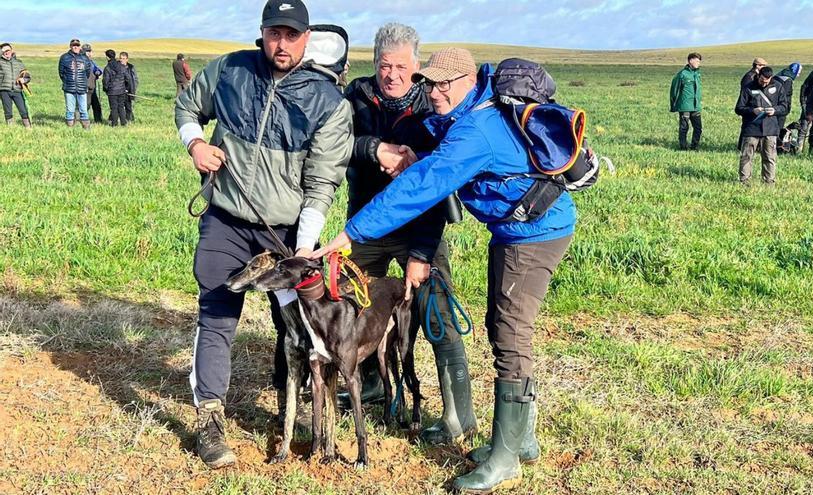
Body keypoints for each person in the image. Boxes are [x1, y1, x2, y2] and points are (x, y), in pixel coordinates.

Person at [313, 47, 575, 494]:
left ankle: (506, 457)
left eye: (441, 84)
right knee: (502, 328)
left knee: (510, 337)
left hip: (535, 235)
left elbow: (423, 186)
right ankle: (521, 439)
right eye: (429, 83)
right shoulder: (472, 113)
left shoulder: (477, 129)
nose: (432, 92)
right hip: (516, 232)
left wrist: (353, 231)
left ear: (468, 81)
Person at [174, 0, 353, 470]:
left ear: (306, 38)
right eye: (275, 33)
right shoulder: (230, 70)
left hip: (286, 232)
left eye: (292, 35)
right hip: (226, 218)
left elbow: (322, 182)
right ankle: (210, 418)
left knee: (297, 324)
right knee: (216, 309)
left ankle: (292, 410)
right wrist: (195, 143)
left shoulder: (328, 102)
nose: (282, 43)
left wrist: (304, 247)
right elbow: (188, 104)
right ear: (262, 32)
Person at [341, 23, 476, 446]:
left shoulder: (432, 102)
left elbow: (439, 182)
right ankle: (371, 382)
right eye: (385, 65)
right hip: (366, 223)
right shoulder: (356, 97)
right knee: (354, 303)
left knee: (437, 313)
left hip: (421, 227)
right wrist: (373, 149)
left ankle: (459, 413)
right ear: (374, 64)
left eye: (402, 66)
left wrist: (421, 251)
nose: (393, 74)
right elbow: (333, 142)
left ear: (417, 67)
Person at [735, 66, 788, 185]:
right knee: (746, 156)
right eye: (762, 81)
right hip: (751, 128)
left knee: (770, 157)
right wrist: (752, 110)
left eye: (767, 82)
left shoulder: (778, 87)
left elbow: (785, 107)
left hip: (770, 129)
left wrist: (775, 110)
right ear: (758, 76)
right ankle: (744, 181)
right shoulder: (748, 88)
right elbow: (739, 108)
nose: (764, 84)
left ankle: (769, 181)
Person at [669, 52, 702, 150]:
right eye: (696, 61)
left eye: (699, 61)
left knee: (698, 128)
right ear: (690, 61)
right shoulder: (682, 74)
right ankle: (683, 147)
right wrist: (674, 104)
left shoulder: (697, 74)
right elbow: (674, 90)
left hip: (696, 106)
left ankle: (694, 146)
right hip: (685, 106)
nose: (698, 63)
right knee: (684, 127)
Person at [58, 38, 91, 128]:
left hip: (82, 87)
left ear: (80, 47)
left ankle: (86, 127)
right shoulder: (64, 57)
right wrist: (67, 81)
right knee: (70, 109)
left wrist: (82, 81)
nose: (75, 47)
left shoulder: (85, 58)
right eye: (74, 45)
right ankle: (70, 127)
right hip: (69, 88)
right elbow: (61, 73)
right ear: (70, 46)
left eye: (77, 45)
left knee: (83, 109)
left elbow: (87, 73)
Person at [0, 42, 31, 128]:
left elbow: (28, 77)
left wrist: (23, 80)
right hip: (4, 91)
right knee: (8, 111)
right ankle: (10, 129)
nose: (6, 52)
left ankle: (28, 128)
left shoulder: (19, 62)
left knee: (23, 110)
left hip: (17, 90)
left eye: (8, 50)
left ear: (12, 50)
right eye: (4, 51)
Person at [773, 62, 802, 146]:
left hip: (773, 106)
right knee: (778, 127)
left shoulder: (778, 76)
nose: (799, 75)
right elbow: (785, 96)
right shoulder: (787, 80)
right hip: (781, 108)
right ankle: (775, 145)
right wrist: (786, 108)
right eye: (798, 72)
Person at [103, 49, 132, 127]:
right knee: (121, 107)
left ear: (107, 57)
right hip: (122, 90)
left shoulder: (107, 68)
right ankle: (123, 123)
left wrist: (106, 89)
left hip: (112, 91)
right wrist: (126, 88)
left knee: (114, 108)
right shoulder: (122, 66)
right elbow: (128, 78)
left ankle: (114, 124)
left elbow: (105, 81)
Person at [82, 44, 103, 124]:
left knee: (97, 106)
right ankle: (80, 121)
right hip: (85, 88)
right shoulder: (81, 62)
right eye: (87, 51)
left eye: (90, 51)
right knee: (85, 106)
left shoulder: (91, 62)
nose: (89, 53)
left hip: (92, 88)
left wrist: (98, 72)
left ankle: (99, 122)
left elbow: (98, 70)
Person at [119, 52, 138, 122]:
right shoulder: (117, 66)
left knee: (128, 107)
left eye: (123, 58)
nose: (122, 60)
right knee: (117, 107)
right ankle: (113, 120)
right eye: (120, 58)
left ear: (127, 59)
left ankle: (129, 120)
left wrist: (133, 89)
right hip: (119, 90)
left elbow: (135, 79)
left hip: (128, 91)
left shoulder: (131, 67)